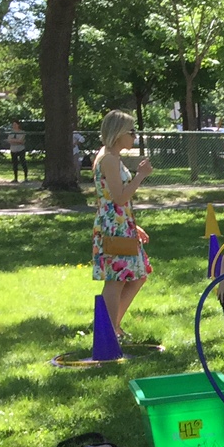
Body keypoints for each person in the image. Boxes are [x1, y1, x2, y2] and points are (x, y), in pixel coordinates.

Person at [91, 110, 154, 340]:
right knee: (116, 279)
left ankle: (112, 326)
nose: (134, 136)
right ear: (118, 133)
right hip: (114, 226)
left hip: (120, 223)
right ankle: (107, 333)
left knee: (138, 275)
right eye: (131, 131)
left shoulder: (111, 157)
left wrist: (132, 226)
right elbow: (119, 197)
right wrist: (140, 176)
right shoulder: (108, 158)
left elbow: (115, 199)